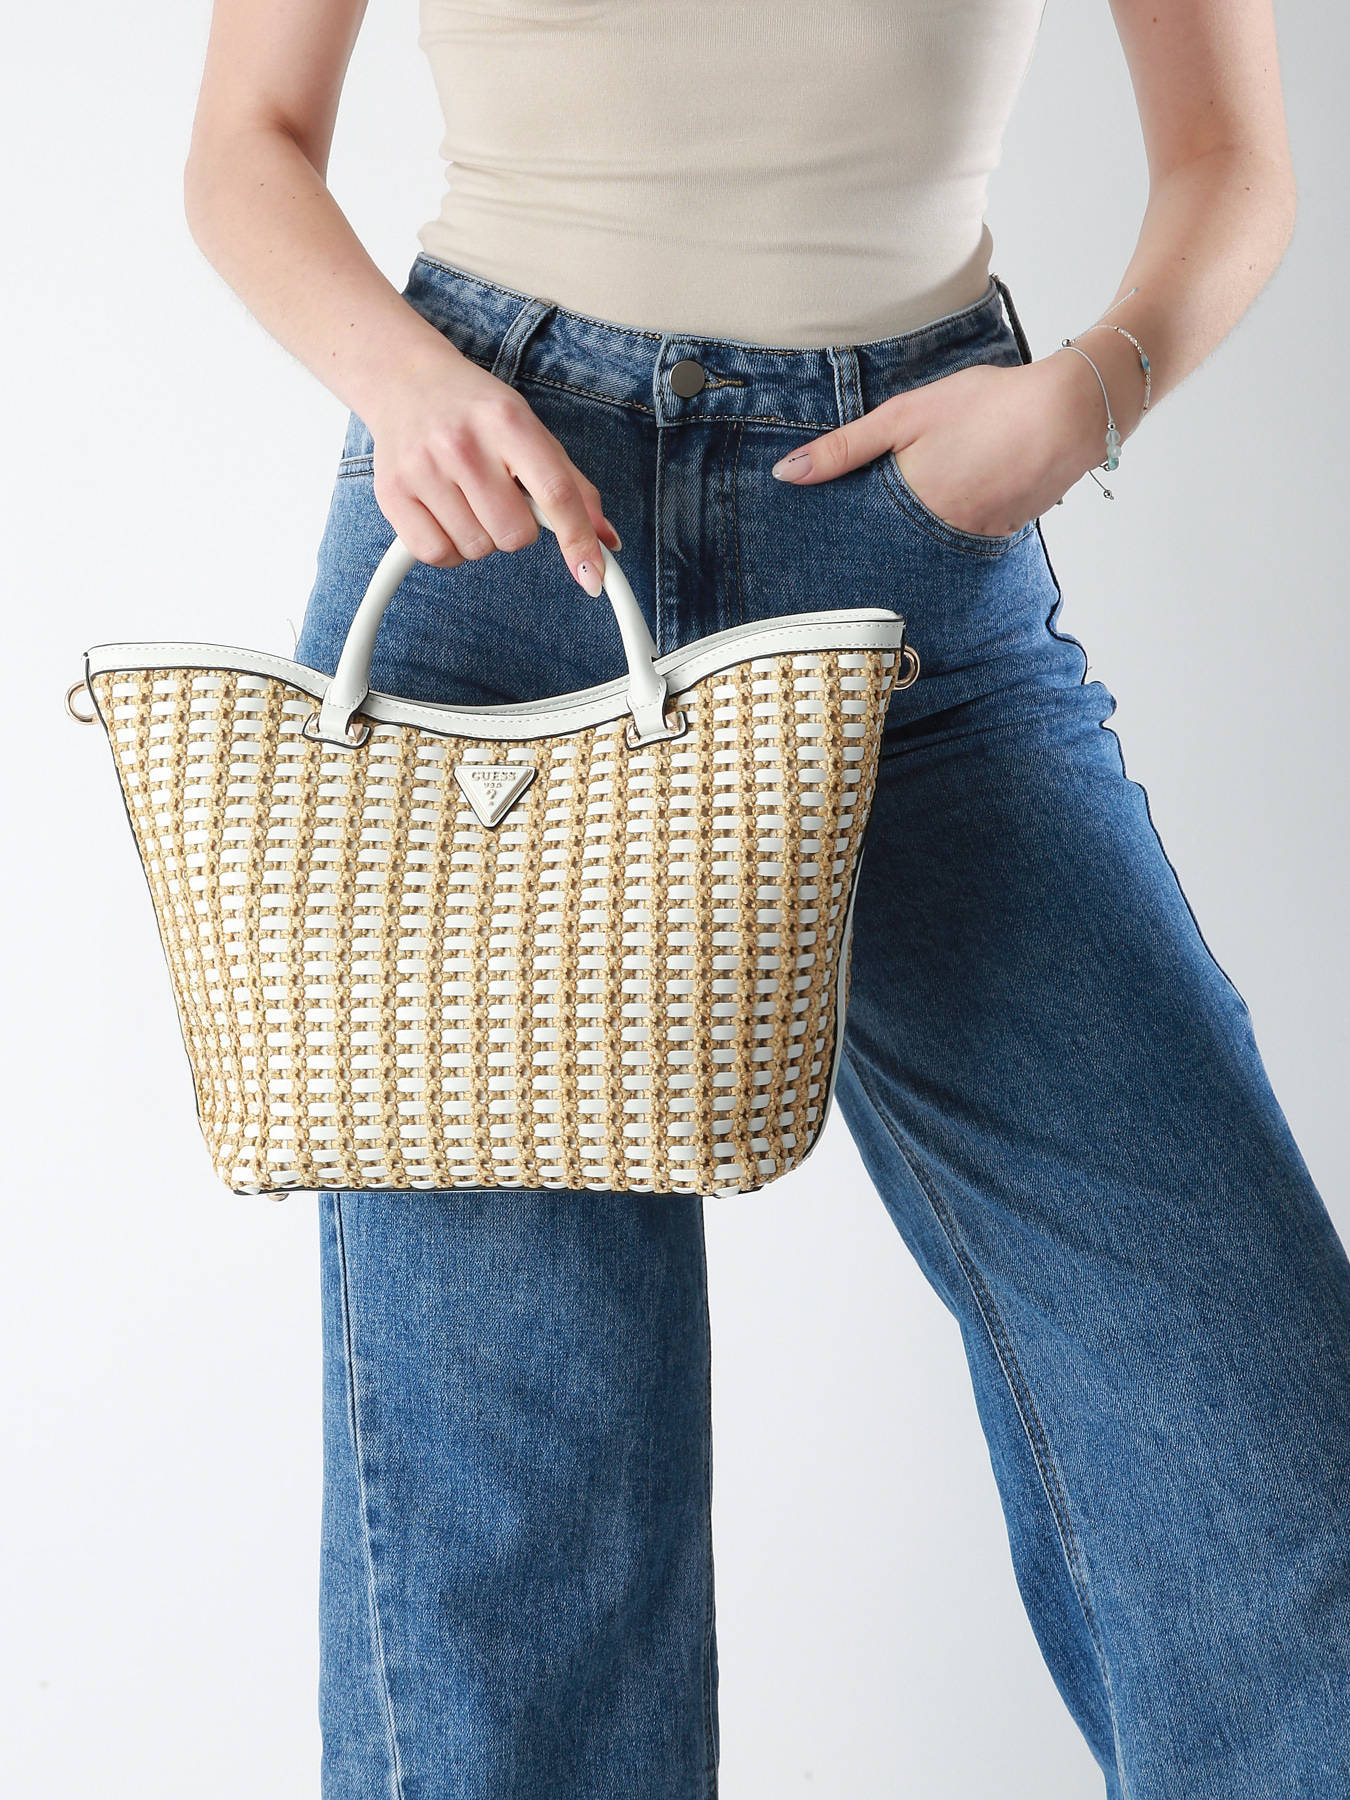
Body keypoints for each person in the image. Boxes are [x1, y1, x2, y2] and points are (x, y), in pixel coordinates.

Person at [181, 2, 1349, 1795]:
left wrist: (1087, 393)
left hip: (911, 554)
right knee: (524, 1531)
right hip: (499, 547)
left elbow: (1231, 158)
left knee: (1261, 1450)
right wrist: (404, 383)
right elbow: (243, 139)